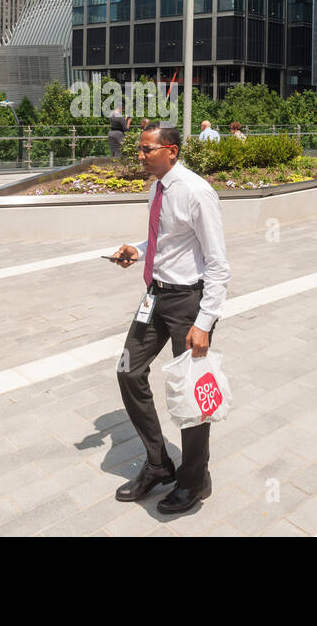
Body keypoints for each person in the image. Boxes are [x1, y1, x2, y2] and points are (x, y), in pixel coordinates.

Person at [111, 124, 230, 514]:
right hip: (156, 295)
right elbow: (165, 240)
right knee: (128, 371)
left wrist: (205, 321)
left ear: (171, 151)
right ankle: (159, 464)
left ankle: (195, 480)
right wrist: (137, 249)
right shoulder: (156, 189)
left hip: (188, 303)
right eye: (140, 150)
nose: (140, 156)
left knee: (192, 391)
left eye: (147, 150)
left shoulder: (197, 192)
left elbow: (218, 264)